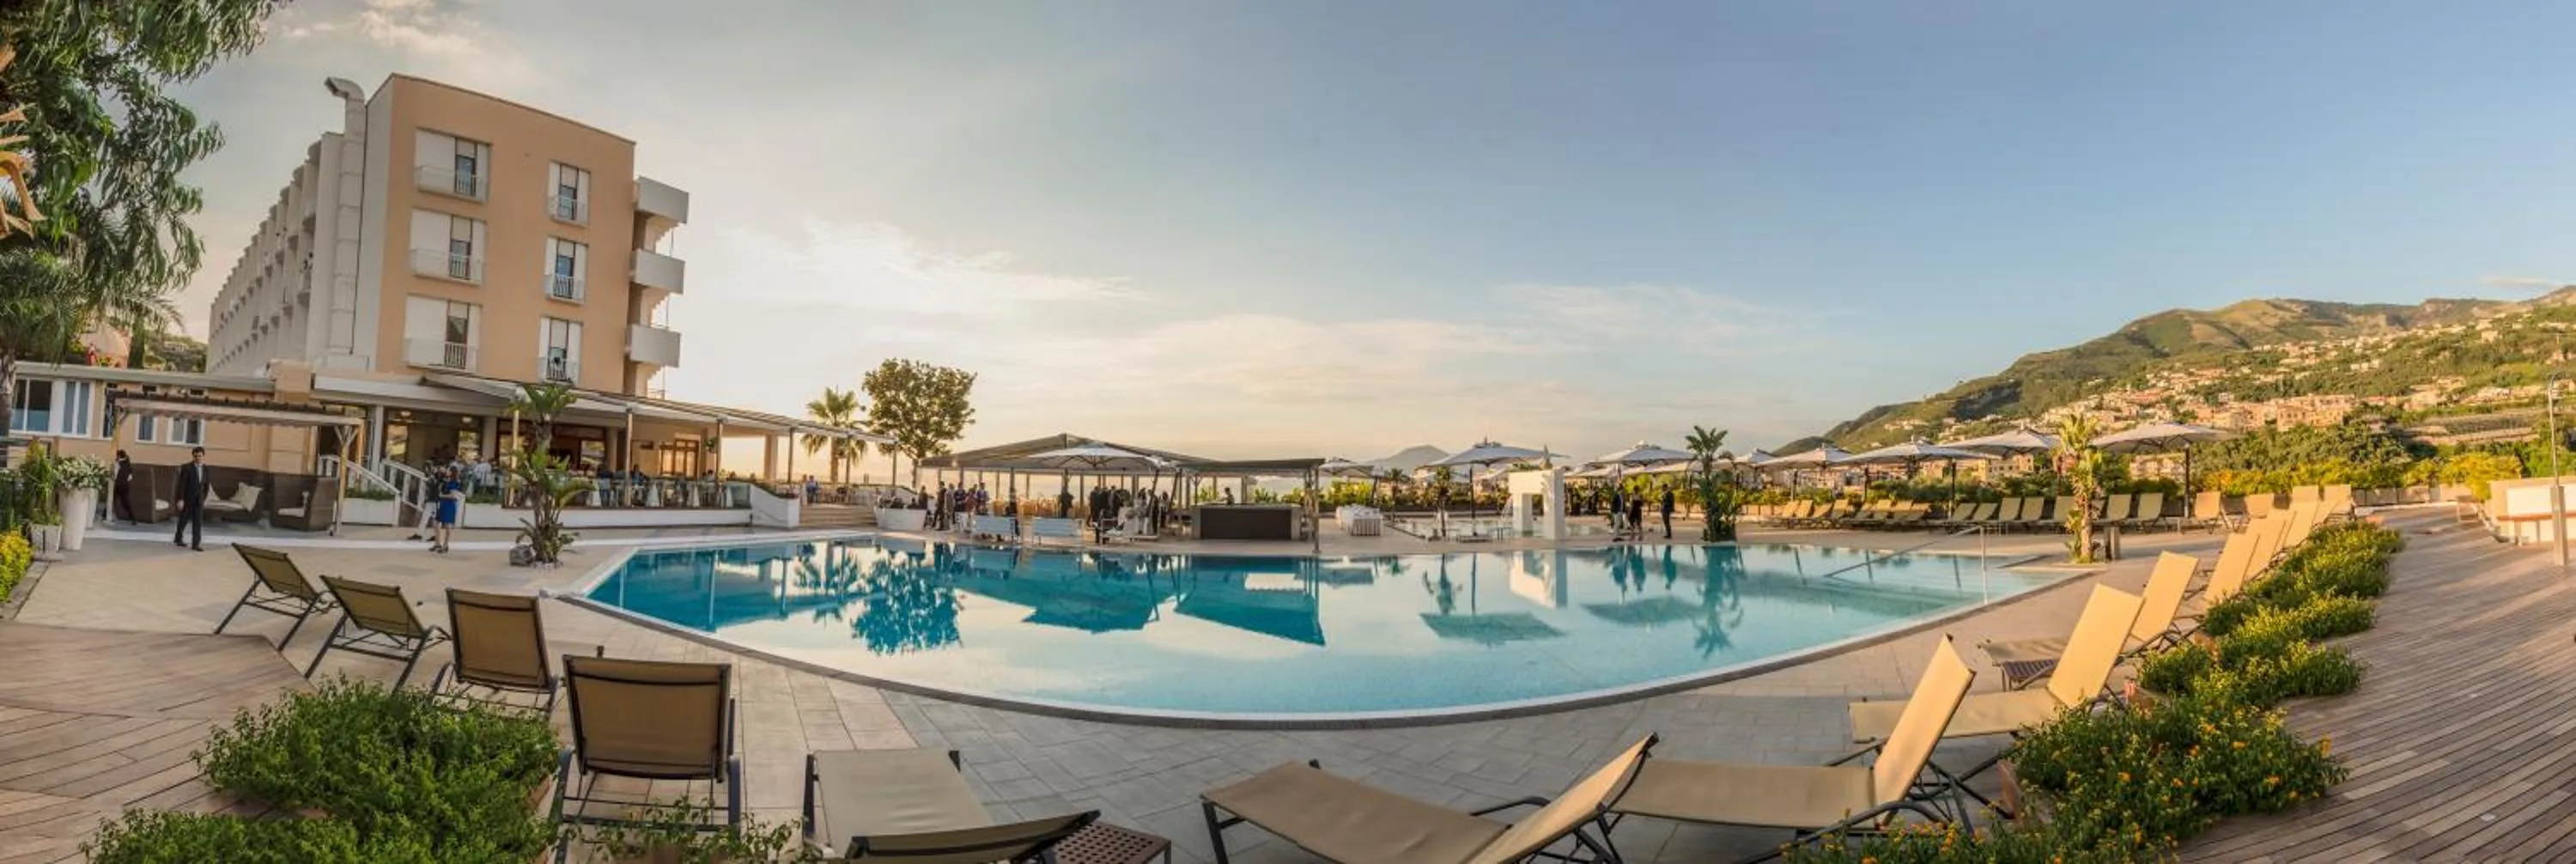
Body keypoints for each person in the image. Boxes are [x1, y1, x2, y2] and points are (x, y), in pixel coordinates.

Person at [172, 447, 209, 551]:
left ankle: (195, 545)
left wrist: (203, 498)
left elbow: (207, 485)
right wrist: (180, 499)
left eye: (200, 456)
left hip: (199, 501)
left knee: (198, 523)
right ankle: (178, 539)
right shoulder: (187, 467)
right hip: (187, 500)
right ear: (193, 456)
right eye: (196, 456)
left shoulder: (206, 468)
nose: (198, 458)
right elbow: (182, 485)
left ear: (203, 456)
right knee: (183, 520)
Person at [431, 468, 464, 554]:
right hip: (442, 504)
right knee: (435, 523)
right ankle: (437, 543)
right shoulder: (446, 481)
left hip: (449, 505)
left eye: (449, 470)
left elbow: (453, 496)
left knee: (448, 525)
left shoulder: (454, 483)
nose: (447, 471)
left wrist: (442, 496)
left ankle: (445, 544)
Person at [112, 450, 138, 524]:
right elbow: (130, 477)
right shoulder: (128, 463)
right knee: (125, 502)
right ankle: (133, 518)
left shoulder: (118, 463)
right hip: (125, 485)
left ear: (119, 456)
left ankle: (105, 515)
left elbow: (115, 474)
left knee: (112, 500)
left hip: (119, 485)